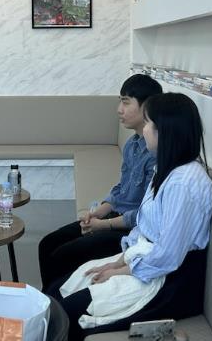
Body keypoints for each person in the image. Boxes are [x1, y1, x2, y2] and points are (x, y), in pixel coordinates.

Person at [47, 92, 212, 341]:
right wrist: (117, 263)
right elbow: (143, 228)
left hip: (170, 281)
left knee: (69, 312)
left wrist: (120, 272)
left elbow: (168, 255)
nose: (143, 130)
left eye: (147, 123)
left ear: (165, 132)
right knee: (59, 290)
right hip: (145, 260)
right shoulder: (165, 169)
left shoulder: (184, 183)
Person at [38, 74, 163, 291]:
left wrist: (103, 225)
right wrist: (98, 212)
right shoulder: (132, 144)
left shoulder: (155, 155)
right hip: (113, 217)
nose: (119, 110)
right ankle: (46, 300)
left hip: (129, 231)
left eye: (126, 102)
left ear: (147, 107)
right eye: (120, 101)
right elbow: (121, 189)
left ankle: (57, 299)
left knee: (61, 256)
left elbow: (144, 215)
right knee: (47, 244)